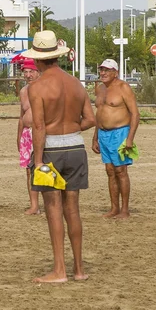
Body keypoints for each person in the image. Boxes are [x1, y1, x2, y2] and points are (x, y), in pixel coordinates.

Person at [23, 30, 96, 283]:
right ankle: (79, 270)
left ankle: (59, 271)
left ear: (39, 60)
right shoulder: (76, 83)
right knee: (73, 210)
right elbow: (90, 119)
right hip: (76, 148)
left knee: (53, 209)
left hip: (51, 150)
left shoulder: (37, 87)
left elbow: (39, 127)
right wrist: (72, 130)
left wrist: (39, 160)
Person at [92, 59, 140, 219]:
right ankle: (114, 208)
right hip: (103, 134)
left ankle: (125, 209)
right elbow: (99, 115)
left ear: (115, 72)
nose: (103, 73)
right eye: (101, 69)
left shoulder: (123, 87)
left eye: (107, 70)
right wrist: (95, 138)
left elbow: (135, 113)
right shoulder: (100, 89)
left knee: (121, 171)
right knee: (110, 171)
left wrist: (130, 138)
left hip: (120, 132)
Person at [17, 58, 41, 215]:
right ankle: (34, 205)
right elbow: (22, 115)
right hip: (27, 133)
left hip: (43, 132)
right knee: (28, 169)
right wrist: (19, 136)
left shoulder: (45, 89)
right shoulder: (23, 91)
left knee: (45, 168)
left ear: (38, 72)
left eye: (31, 71)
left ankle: (52, 203)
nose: (28, 75)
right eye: (25, 72)